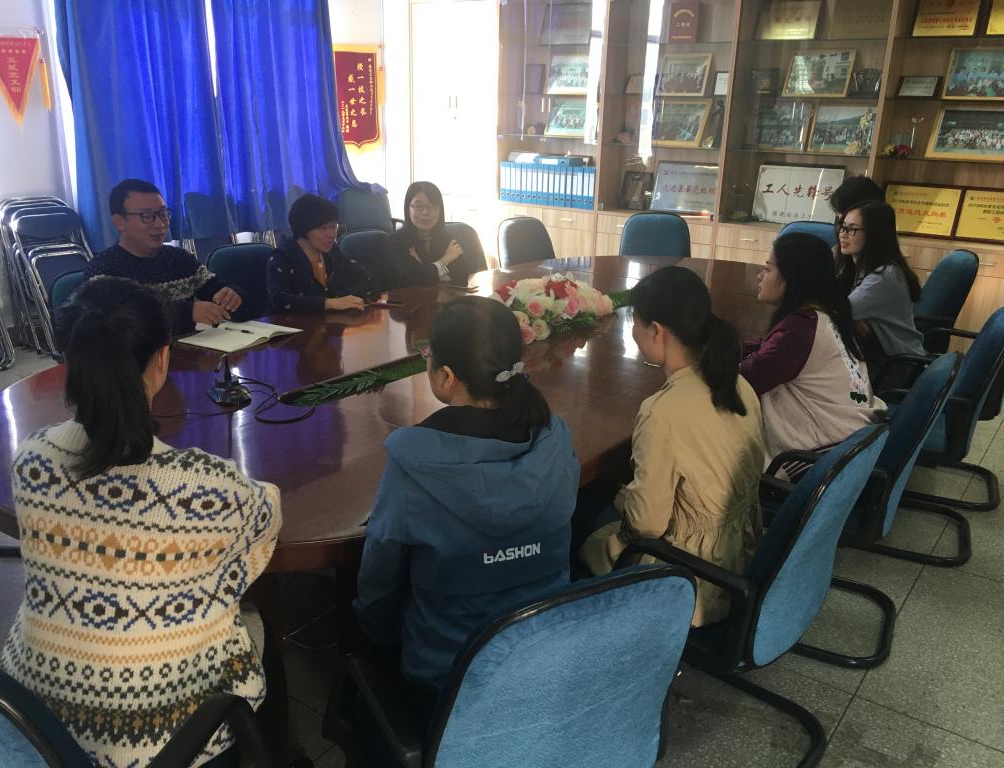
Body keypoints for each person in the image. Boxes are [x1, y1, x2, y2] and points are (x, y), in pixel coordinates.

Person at [0, 277, 288, 767]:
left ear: (71, 360)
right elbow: (266, 514)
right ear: (162, 359)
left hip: (34, 723)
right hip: (165, 740)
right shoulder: (207, 486)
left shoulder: (31, 459)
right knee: (260, 634)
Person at [354, 296, 578, 718]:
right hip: (543, 655)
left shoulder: (413, 464)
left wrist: (378, 633)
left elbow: (378, 582)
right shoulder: (555, 439)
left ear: (447, 376)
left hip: (446, 681)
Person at [578, 266, 764, 627]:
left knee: (581, 512)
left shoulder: (662, 412)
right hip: (744, 551)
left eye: (635, 322)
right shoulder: (736, 383)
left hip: (692, 578)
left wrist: (623, 497)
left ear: (656, 331)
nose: (633, 331)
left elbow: (646, 527)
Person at [741, 232, 882, 463]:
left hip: (819, 454)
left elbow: (746, 378)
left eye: (767, 269)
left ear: (792, 278)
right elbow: (767, 349)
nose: (760, 276)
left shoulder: (798, 330)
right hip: (853, 436)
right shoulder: (825, 314)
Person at [84, 178, 243, 334]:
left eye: (163, 214)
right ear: (119, 222)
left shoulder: (180, 259)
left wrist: (231, 295)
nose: (160, 224)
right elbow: (119, 325)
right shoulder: (102, 271)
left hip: (192, 349)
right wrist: (186, 313)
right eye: (147, 216)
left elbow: (216, 290)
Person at [837, 201, 925, 365]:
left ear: (874, 234)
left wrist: (850, 318)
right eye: (842, 227)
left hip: (897, 365)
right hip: (878, 356)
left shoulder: (885, 276)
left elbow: (839, 311)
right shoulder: (857, 268)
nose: (843, 234)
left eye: (852, 229)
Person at [267, 194, 373, 313]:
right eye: (323, 228)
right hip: (289, 323)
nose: (331, 234)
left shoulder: (332, 251)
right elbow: (280, 301)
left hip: (328, 321)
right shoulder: (283, 257)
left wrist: (341, 299)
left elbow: (368, 280)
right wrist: (330, 303)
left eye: (333, 226)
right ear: (303, 229)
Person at [386, 181, 483, 287]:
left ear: (440, 210)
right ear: (407, 209)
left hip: (443, 296)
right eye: (418, 206)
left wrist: (426, 269)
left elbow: (461, 275)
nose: (425, 212)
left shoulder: (446, 238)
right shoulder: (397, 241)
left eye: (432, 206)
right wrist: (445, 260)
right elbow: (416, 279)